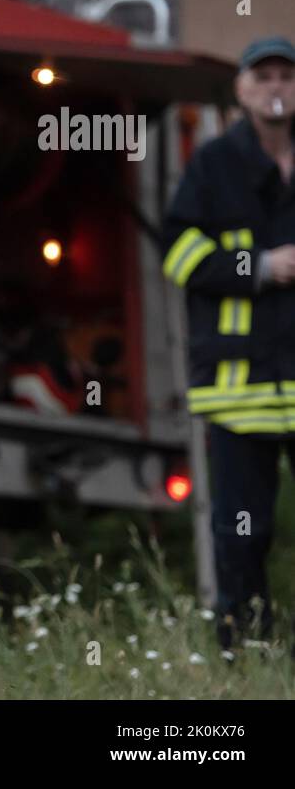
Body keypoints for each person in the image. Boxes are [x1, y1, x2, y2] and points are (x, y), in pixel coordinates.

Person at [161, 35, 295, 652]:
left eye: (286, 76)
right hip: (240, 389)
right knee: (243, 530)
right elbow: (181, 254)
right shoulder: (215, 163)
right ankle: (240, 646)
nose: (276, 87)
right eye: (263, 76)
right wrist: (260, 267)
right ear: (242, 89)